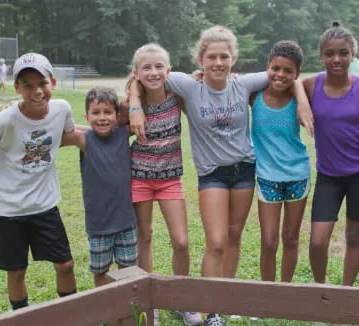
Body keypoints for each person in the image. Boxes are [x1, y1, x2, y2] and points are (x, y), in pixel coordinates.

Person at [128, 26, 312, 326]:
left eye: (224, 56)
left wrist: (302, 99)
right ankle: (208, 304)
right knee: (216, 241)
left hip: (244, 168)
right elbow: (141, 77)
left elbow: (289, 76)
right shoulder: (188, 85)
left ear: (233, 58)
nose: (218, 62)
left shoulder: (244, 83)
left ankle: (222, 302)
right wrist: (135, 106)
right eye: (211, 57)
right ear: (200, 58)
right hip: (212, 173)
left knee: (235, 236)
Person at [0, 53, 77, 311]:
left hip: (45, 206)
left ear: (53, 82)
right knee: (16, 272)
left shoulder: (62, 109)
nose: (37, 91)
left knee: (66, 264)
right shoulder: (5, 119)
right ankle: (22, 317)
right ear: (17, 88)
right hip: (8, 210)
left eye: (42, 83)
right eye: (27, 85)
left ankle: (74, 315)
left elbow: (69, 135)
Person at [302, 22, 359, 286]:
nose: (336, 59)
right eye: (329, 53)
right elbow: (290, 81)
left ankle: (346, 291)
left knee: (354, 236)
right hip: (329, 175)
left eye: (343, 53)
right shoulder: (310, 85)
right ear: (321, 56)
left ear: (353, 55)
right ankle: (321, 290)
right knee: (318, 241)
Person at [122, 44, 203, 326]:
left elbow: (200, 87)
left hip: (170, 180)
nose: (153, 72)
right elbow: (104, 125)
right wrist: (133, 99)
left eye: (159, 66)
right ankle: (149, 304)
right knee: (144, 238)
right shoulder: (130, 104)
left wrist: (200, 75)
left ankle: (180, 301)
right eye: (147, 67)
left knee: (181, 242)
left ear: (168, 70)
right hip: (140, 178)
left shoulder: (177, 96)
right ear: (137, 73)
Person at [61, 87, 138, 288]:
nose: (102, 118)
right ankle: (105, 313)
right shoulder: (84, 139)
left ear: (118, 115)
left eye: (108, 112)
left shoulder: (124, 133)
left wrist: (134, 90)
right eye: (96, 113)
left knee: (129, 270)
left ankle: (126, 310)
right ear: (87, 116)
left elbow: (137, 109)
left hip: (126, 222)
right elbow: (54, 135)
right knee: (101, 271)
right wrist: (15, 110)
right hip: (99, 225)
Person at [250, 40, 310, 284]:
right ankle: (267, 292)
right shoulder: (254, 94)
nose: (280, 75)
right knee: (269, 240)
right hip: (267, 178)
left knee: (291, 238)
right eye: (275, 68)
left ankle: (285, 290)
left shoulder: (301, 96)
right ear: (267, 67)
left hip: (298, 174)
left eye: (288, 71)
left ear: (297, 74)